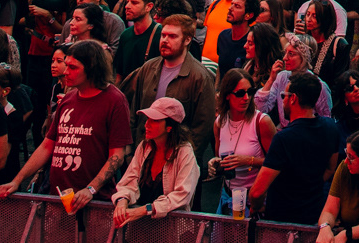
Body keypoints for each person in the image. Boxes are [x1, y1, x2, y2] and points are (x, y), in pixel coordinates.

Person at [0, 39, 130, 209]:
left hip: (94, 202)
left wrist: (90, 189)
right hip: (58, 197)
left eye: (73, 67)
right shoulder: (68, 99)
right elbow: (47, 146)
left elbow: (117, 155)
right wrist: (16, 181)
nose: (66, 71)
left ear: (92, 68)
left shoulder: (114, 100)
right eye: (66, 65)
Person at [249, 71, 342, 225]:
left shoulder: (284, 139)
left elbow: (257, 191)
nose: (283, 100)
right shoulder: (330, 127)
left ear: (293, 99)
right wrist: (310, 187)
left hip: (281, 221)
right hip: (314, 216)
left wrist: (256, 207)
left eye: (284, 95)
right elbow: (331, 168)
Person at [131, 12, 217, 162]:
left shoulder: (200, 76)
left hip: (178, 161)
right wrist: (131, 154)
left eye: (172, 36)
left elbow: (202, 128)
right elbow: (135, 113)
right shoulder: (148, 68)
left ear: (187, 40)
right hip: (144, 156)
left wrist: (182, 161)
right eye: (163, 35)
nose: (165, 40)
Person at [111, 96, 200, 224]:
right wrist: (122, 200)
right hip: (139, 226)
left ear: (170, 127)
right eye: (148, 119)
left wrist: (143, 210)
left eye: (154, 120)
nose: (147, 124)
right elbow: (129, 181)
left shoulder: (184, 152)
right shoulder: (144, 146)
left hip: (171, 230)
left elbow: (182, 196)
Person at [209, 68, 275, 217]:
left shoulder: (261, 122)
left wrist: (247, 160)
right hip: (228, 198)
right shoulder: (220, 122)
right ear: (227, 96)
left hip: (255, 201)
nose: (246, 98)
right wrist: (215, 164)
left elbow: (276, 164)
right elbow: (220, 157)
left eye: (250, 92)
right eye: (240, 93)